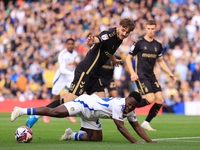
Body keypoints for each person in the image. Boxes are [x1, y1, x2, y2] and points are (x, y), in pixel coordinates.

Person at [26, 18, 135, 128]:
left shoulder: (119, 39)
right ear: (118, 27)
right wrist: (93, 40)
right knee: (68, 101)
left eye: (127, 32)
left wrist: (113, 59)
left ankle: (87, 129)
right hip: (85, 71)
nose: (124, 33)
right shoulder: (109, 34)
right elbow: (100, 39)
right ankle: (36, 115)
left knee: (102, 102)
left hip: (94, 74)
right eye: (123, 30)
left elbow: (110, 49)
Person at [11, 91, 158, 144]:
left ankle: (71, 135)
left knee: (96, 139)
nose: (130, 108)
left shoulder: (130, 110)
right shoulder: (118, 105)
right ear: (127, 99)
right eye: (130, 104)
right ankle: (21, 110)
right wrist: (135, 142)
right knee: (55, 112)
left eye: (133, 106)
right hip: (84, 103)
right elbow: (120, 127)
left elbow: (137, 127)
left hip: (92, 115)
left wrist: (149, 141)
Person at [126, 20, 176, 131]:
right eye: (148, 28)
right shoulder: (138, 43)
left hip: (151, 75)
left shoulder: (158, 45)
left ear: (155, 29)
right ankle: (126, 110)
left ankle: (146, 123)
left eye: (152, 28)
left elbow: (161, 61)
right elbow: (128, 58)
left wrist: (170, 73)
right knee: (150, 98)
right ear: (146, 28)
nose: (150, 31)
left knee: (160, 100)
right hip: (140, 75)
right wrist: (132, 73)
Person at [26, 38, 78, 127]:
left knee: (73, 96)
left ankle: (68, 114)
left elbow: (75, 65)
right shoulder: (62, 54)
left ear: (74, 45)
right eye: (68, 44)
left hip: (69, 79)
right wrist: (74, 74)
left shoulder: (75, 54)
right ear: (66, 45)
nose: (70, 45)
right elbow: (62, 70)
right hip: (60, 78)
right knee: (55, 98)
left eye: (71, 44)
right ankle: (46, 114)